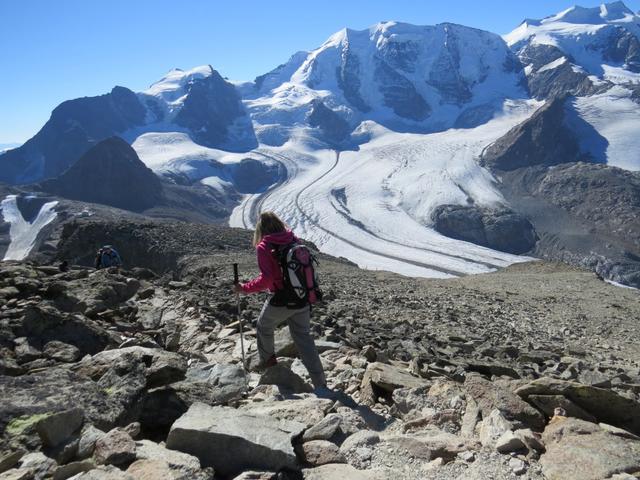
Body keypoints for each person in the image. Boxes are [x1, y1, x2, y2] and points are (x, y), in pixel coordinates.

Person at [235, 211, 327, 391]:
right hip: (302, 298)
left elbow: (267, 279)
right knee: (304, 339)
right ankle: (321, 383)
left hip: (281, 299)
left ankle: (270, 367)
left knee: (263, 326)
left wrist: (244, 288)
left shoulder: (264, 246)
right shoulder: (293, 240)